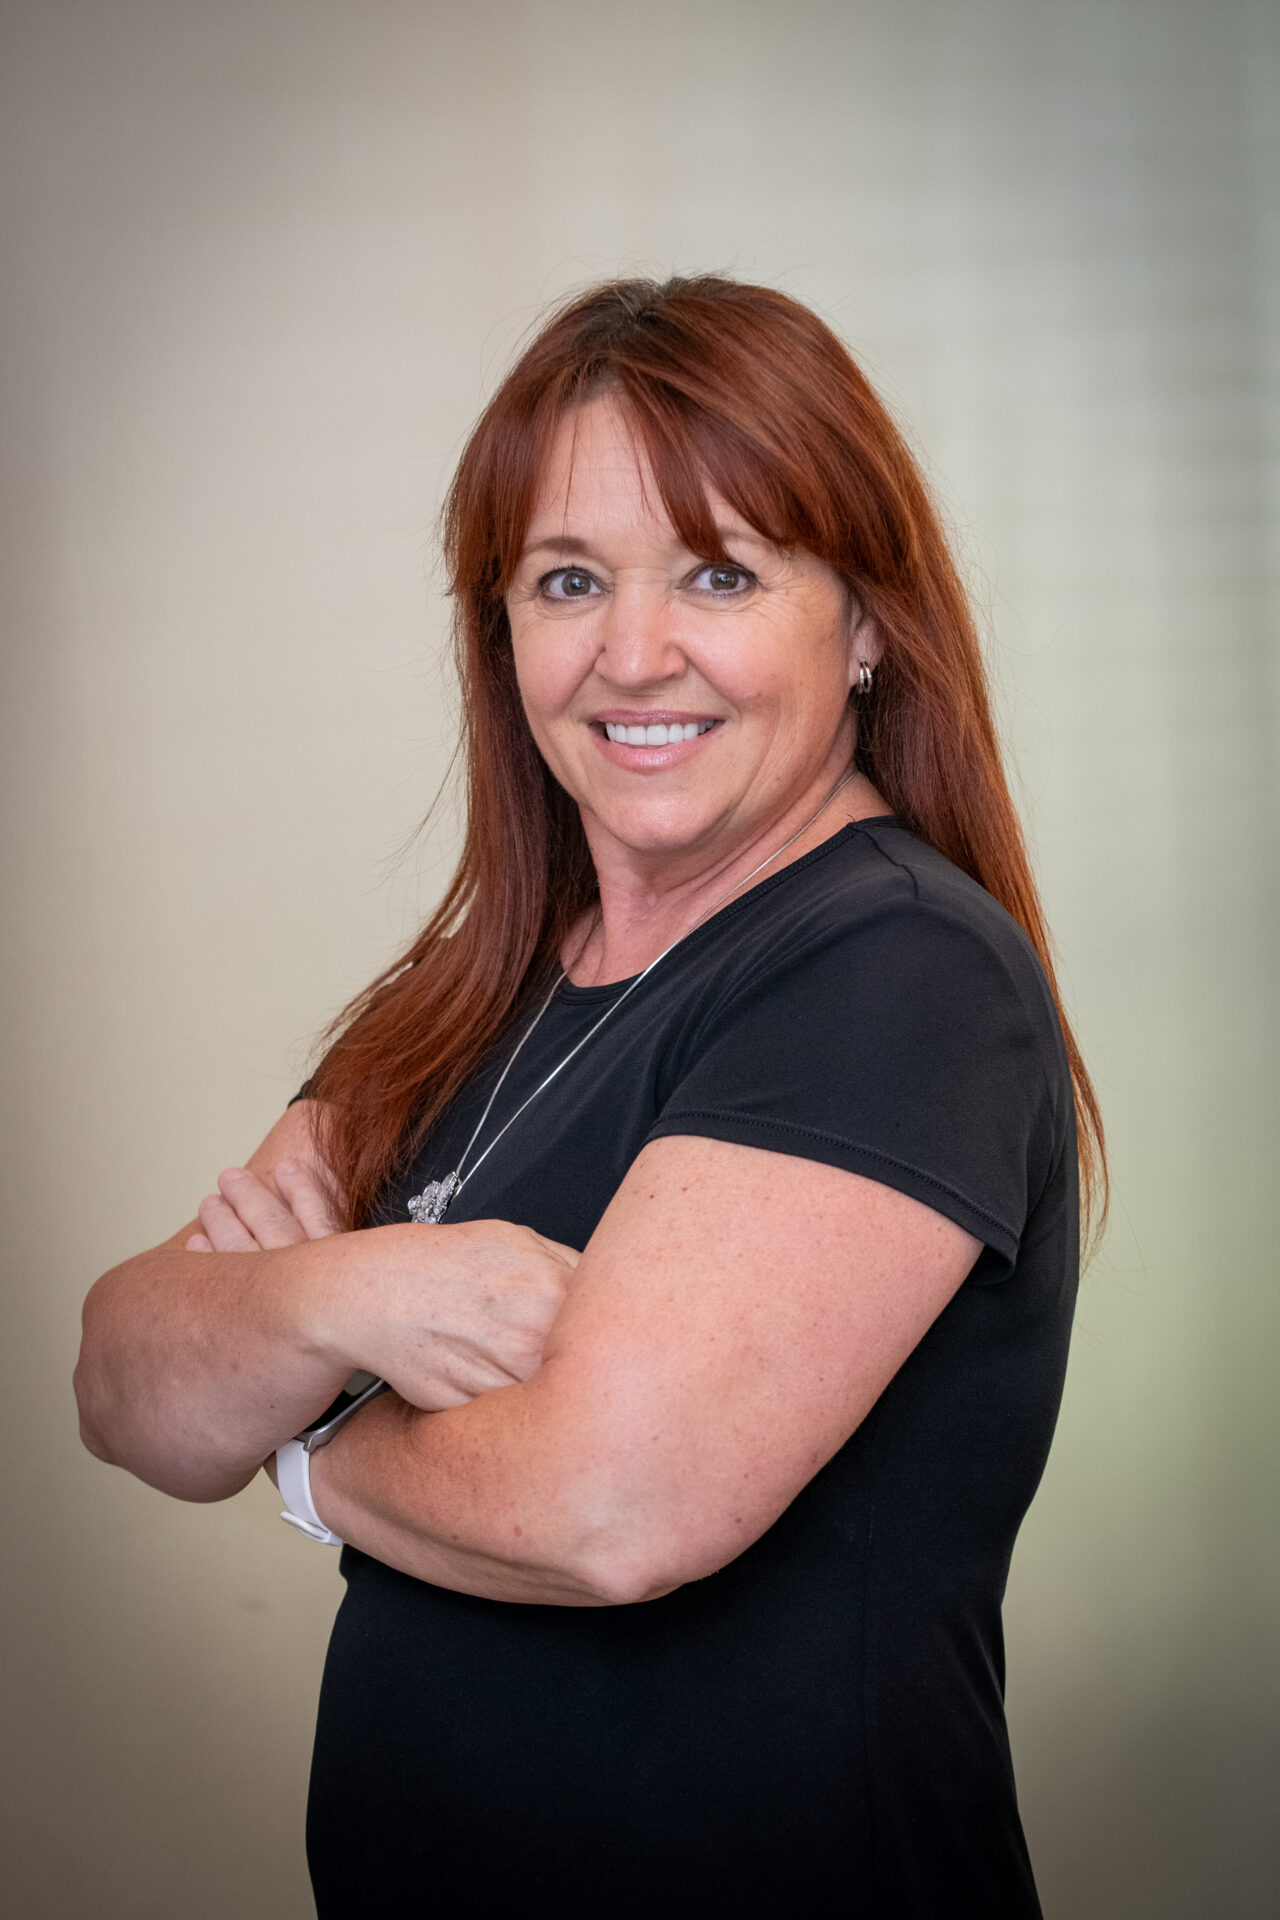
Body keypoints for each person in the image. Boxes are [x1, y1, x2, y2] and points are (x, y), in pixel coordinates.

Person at [75, 275, 1105, 1917]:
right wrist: (354, 1291)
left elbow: (609, 1509)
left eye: (719, 571)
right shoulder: (473, 992)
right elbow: (124, 1383)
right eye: (569, 580)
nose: (635, 654)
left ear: (864, 624)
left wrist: (302, 1427)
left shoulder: (895, 971)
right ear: (504, 632)